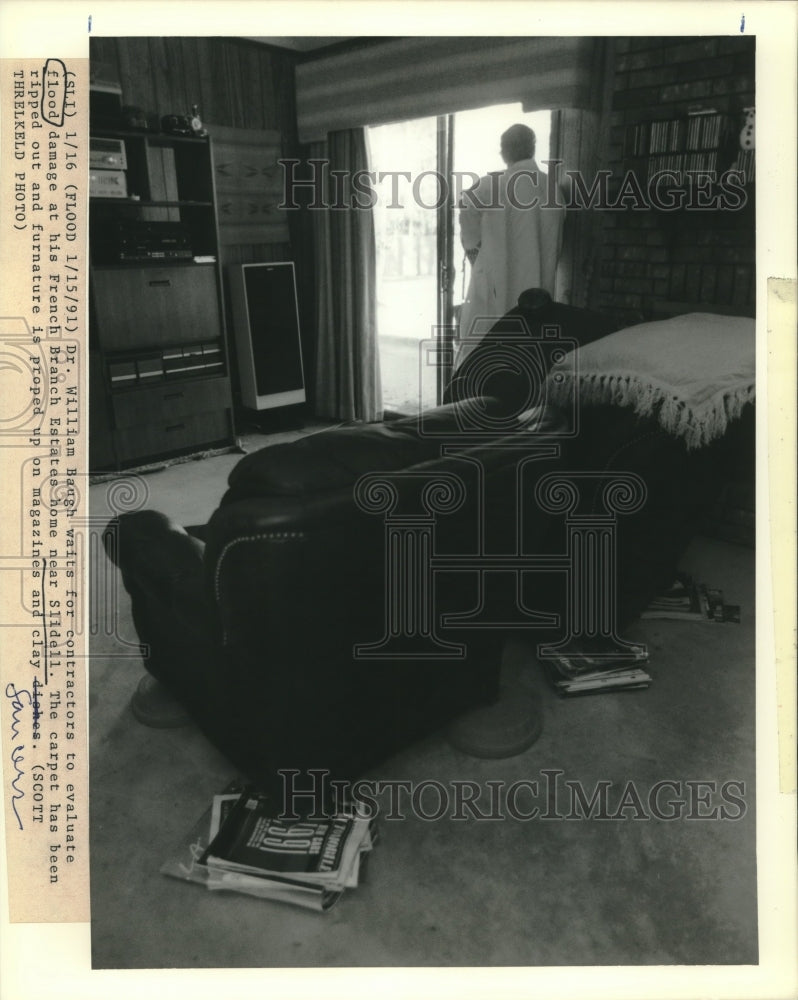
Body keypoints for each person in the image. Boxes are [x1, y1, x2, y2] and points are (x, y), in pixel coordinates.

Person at [457, 124, 565, 363]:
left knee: (488, 354)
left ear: (505, 151)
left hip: (496, 286)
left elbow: (466, 206)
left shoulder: (494, 184)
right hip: (538, 293)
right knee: (526, 354)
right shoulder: (553, 188)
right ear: (532, 149)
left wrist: (474, 248)